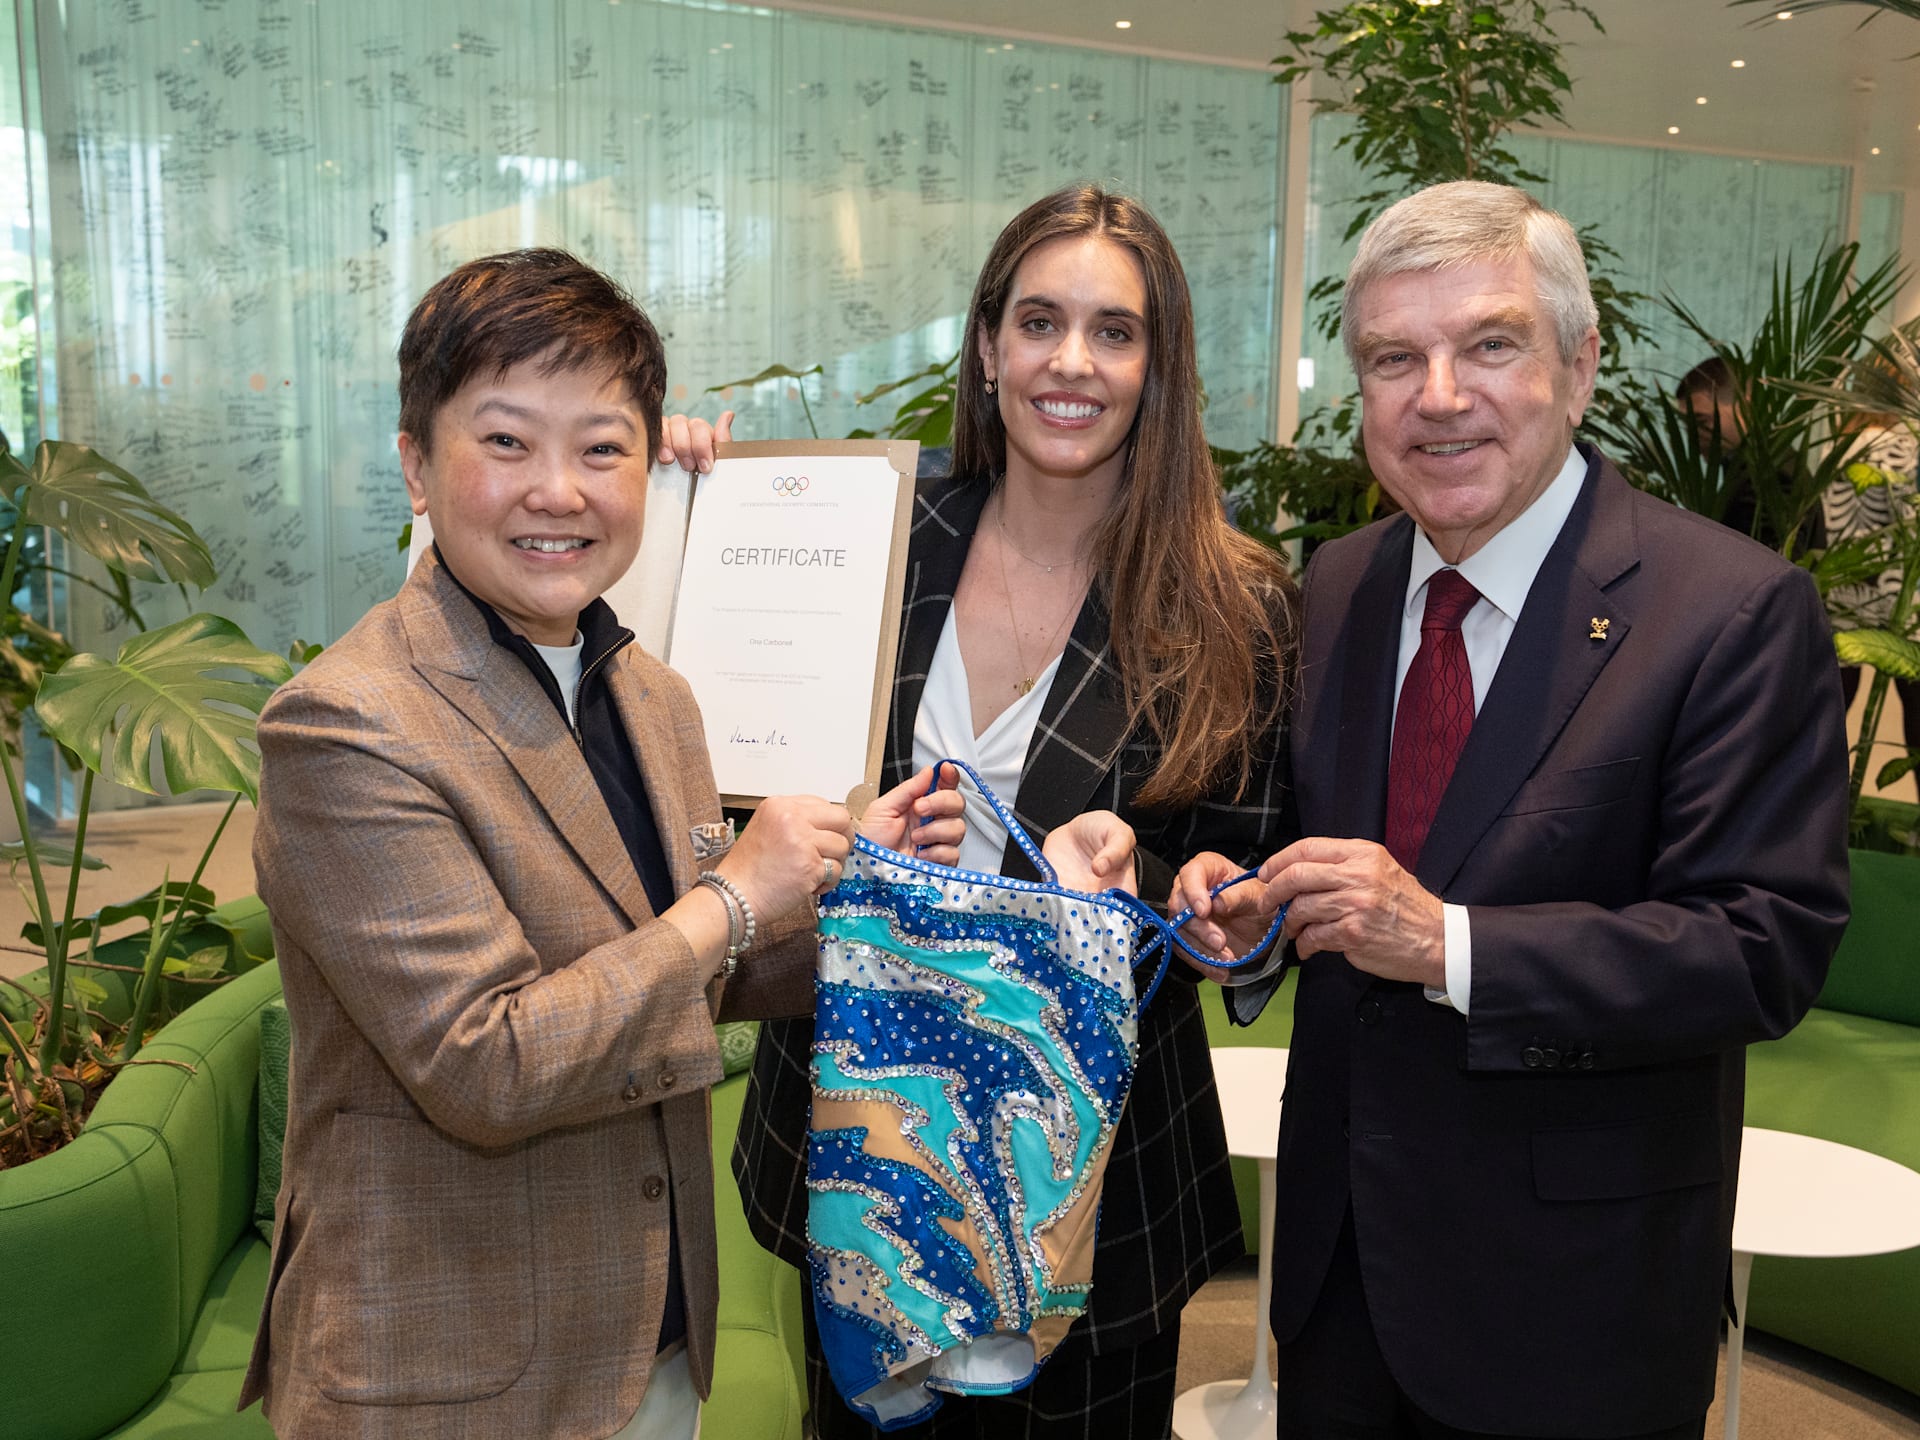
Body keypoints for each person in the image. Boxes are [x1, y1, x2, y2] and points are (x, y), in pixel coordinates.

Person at [240, 248, 970, 1440]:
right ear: (417, 464)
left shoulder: (651, 697)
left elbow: (701, 980)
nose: (559, 491)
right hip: (447, 1365)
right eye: (507, 441)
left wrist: (860, 889)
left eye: (601, 447)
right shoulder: (349, 722)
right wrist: (736, 896)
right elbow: (488, 1062)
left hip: (650, 1325)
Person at [1175, 181, 1851, 1440]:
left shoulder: (1729, 611)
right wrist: (1243, 904)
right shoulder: (1334, 586)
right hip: (1338, 1281)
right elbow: (1311, 854)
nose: (1439, 396)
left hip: (1574, 1302)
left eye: (1490, 344)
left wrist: (1449, 945)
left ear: (1580, 367)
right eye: (1394, 357)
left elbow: (1761, 947)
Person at [670, 184, 1299, 1437]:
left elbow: (1249, 877)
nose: (1072, 363)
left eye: (1115, 332)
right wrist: (689, 511)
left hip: (1095, 1171)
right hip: (864, 1142)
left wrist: (1185, 884)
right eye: (1039, 321)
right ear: (987, 344)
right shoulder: (872, 542)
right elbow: (713, 771)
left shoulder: (1239, 604)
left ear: (1159, 364)